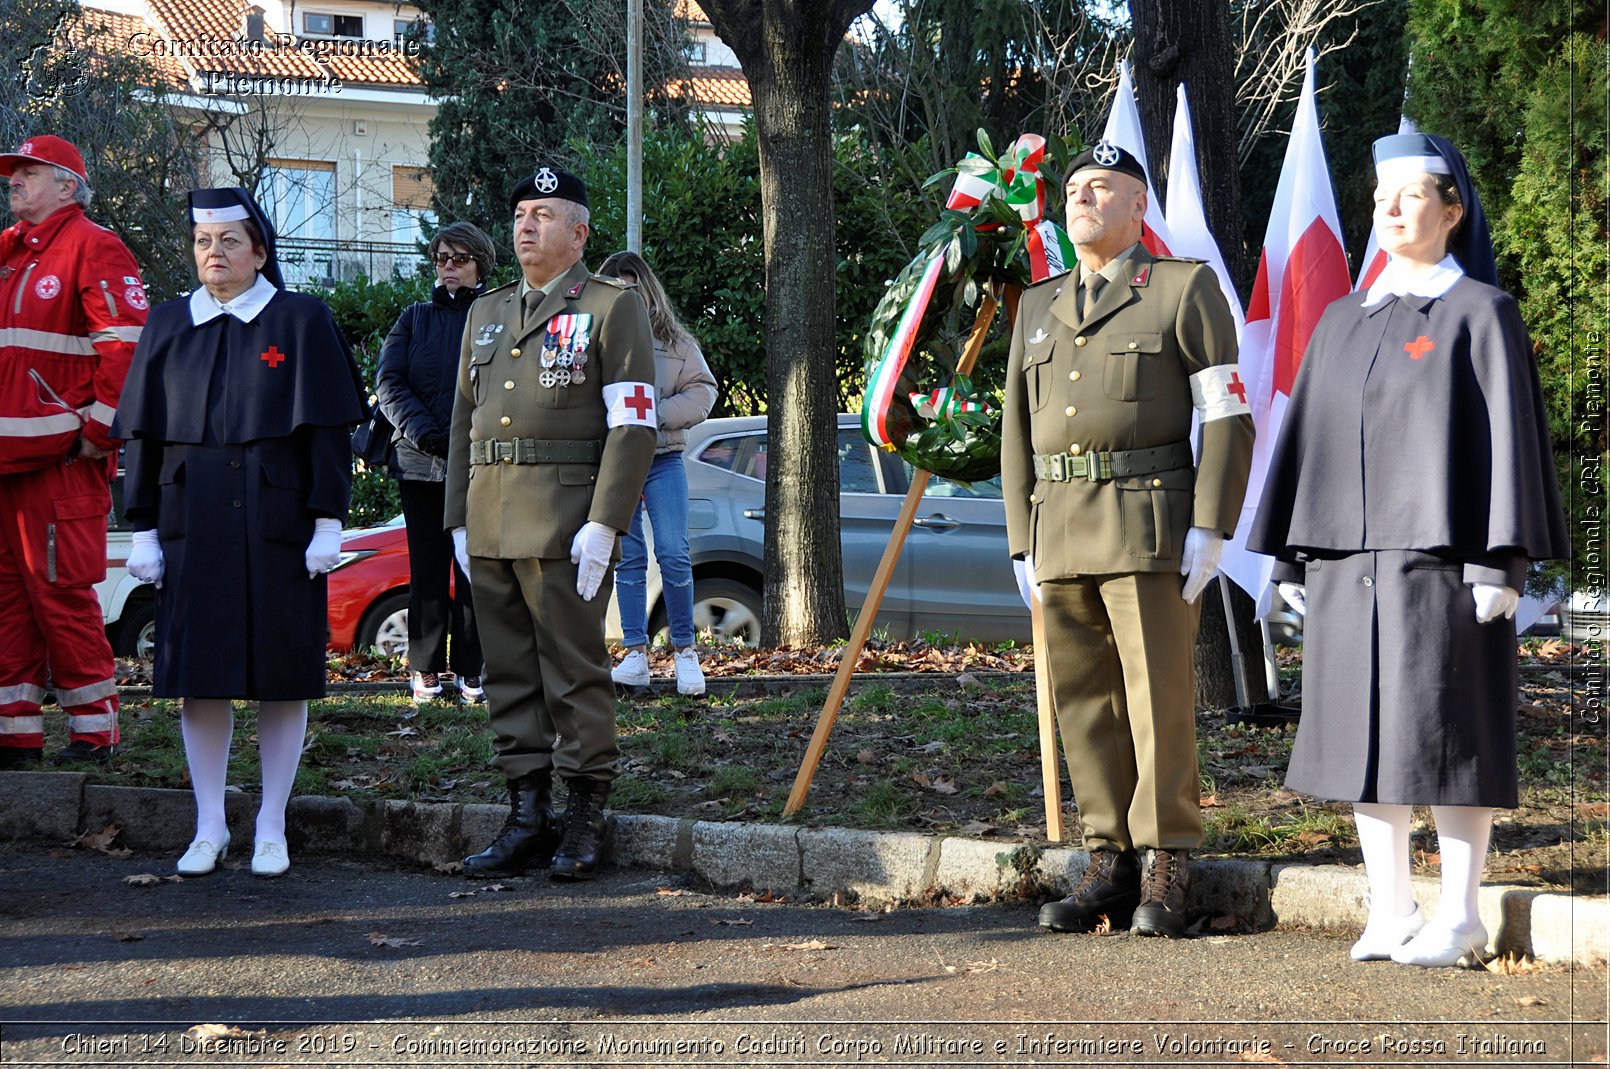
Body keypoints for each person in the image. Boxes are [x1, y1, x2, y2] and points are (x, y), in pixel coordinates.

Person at [1248, 133, 1569, 967]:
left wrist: (1503, 560)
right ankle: (1389, 908)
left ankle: (1460, 913)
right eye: (1382, 196)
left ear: (1453, 210)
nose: (1389, 209)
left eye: (1412, 195)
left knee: (1453, 738)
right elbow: (1306, 446)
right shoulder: (1344, 319)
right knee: (1362, 741)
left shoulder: (1480, 313)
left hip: (1444, 568)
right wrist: (1290, 559)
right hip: (1347, 569)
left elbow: (1508, 443)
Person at [1002, 141, 1253, 938]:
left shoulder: (1182, 289)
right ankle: (1108, 856)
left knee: (1157, 700)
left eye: (1102, 188)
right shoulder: (1038, 304)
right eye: (1074, 188)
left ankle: (1169, 855)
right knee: (1083, 703)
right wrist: (1019, 537)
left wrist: (1211, 522)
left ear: (1139, 207)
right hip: (1060, 525)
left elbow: (1225, 412)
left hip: (1149, 523)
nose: (1081, 198)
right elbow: (1015, 427)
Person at [111, 188, 367, 878]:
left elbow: (327, 433)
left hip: (278, 526)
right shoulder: (167, 324)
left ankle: (273, 824)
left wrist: (328, 520)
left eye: (229, 241)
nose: (214, 254)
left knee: (281, 677)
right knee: (202, 677)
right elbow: (145, 438)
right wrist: (143, 529)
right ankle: (209, 824)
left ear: (259, 250)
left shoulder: (301, 318)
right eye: (203, 241)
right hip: (190, 524)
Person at [447, 166, 656, 881]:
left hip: (567, 522)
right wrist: (455, 519)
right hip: (490, 517)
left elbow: (633, 425)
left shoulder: (610, 306)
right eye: (520, 213)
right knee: (508, 675)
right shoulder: (487, 311)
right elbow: (460, 426)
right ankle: (525, 814)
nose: (526, 225)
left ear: (580, 232)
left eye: (543, 213)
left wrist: (606, 522)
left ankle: (584, 815)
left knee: (573, 672)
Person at [0, 135, 147, 769]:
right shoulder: (7, 252)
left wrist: (97, 432)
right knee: (8, 603)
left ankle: (95, 733)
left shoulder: (95, 246)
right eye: (13, 173)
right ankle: (15, 736)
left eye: (28, 172)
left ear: (67, 186)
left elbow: (127, 349)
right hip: (9, 466)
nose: (14, 181)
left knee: (62, 596)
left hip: (61, 465)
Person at [376, 222, 494, 705]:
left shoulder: (496, 318)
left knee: (475, 569)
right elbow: (390, 382)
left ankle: (473, 670)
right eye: (442, 257)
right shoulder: (413, 319)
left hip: (480, 466)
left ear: (479, 266)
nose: (448, 266)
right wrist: (424, 433)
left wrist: (470, 439)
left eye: (459, 258)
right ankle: (425, 669)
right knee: (427, 568)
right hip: (420, 464)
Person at [598, 250, 718, 697]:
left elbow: (704, 391)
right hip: (615, 462)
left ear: (648, 291)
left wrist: (655, 414)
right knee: (627, 557)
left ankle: (685, 652)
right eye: (618, 289)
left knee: (672, 551)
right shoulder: (596, 341)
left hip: (663, 458)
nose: (627, 296)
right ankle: (635, 654)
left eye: (634, 287)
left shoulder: (675, 341)